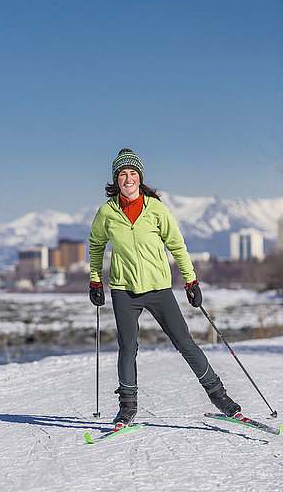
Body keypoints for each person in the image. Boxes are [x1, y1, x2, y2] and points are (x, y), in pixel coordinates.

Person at [89, 148, 241, 426]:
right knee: (127, 347)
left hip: (159, 287)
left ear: (140, 177)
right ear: (116, 179)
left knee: (184, 342)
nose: (128, 178)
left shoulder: (156, 209)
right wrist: (95, 279)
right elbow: (96, 246)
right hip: (124, 289)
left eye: (132, 173)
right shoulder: (106, 213)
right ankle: (127, 407)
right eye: (122, 174)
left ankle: (221, 397)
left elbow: (177, 246)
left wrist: (190, 279)